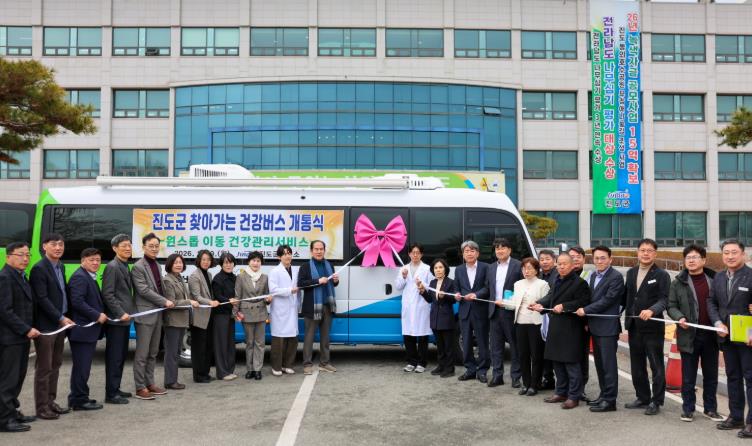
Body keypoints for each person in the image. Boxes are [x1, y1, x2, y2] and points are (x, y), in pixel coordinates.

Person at [667, 244, 722, 423]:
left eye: (695, 257)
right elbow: (671, 306)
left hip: (711, 336)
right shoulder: (677, 282)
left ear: (704, 260)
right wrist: (680, 317)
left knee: (711, 375)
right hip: (688, 335)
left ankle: (710, 409)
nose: (691, 260)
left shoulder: (715, 280)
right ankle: (688, 409)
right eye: (688, 257)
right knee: (688, 376)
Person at [531, 252, 591, 409]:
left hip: (572, 327)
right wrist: (539, 304)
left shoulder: (580, 283)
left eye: (565, 264)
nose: (561, 267)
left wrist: (565, 306)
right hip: (556, 326)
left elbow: (584, 301)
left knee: (571, 363)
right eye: (559, 264)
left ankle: (574, 396)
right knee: (557, 362)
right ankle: (561, 392)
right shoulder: (556, 280)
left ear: (572, 265)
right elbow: (550, 298)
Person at [708, 239, 752, 437]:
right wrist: (717, 322)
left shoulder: (750, 276)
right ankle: (736, 417)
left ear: (743, 254)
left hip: (747, 338)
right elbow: (711, 301)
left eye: (734, 252)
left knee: (750, 379)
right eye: (726, 253)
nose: (730, 256)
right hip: (726, 336)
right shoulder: (718, 277)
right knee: (733, 376)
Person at [622, 238, 670, 415]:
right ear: (638, 252)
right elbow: (627, 298)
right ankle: (642, 397)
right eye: (642, 250)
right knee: (637, 365)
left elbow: (665, 299)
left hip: (653, 327)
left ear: (655, 254)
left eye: (650, 250)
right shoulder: (631, 272)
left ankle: (656, 401)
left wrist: (652, 310)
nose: (646, 253)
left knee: (656, 365)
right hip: (634, 325)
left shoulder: (662, 275)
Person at [29, 233, 74, 419]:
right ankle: (41, 408)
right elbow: (42, 298)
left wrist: (66, 317)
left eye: (61, 244)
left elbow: (62, 293)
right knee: (44, 367)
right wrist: (60, 317)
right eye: (54, 244)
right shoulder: (39, 269)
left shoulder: (60, 266)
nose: (58, 248)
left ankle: (50, 401)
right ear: (44, 246)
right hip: (46, 325)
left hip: (60, 324)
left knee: (55, 364)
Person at [575, 245, 625, 413]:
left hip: (608, 328)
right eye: (596, 258)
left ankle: (610, 401)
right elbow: (590, 298)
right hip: (594, 326)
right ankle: (603, 395)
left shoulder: (616, 277)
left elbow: (608, 300)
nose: (599, 261)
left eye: (603, 258)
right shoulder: (592, 275)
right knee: (600, 364)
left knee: (608, 366)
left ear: (610, 259)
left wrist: (586, 310)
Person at [0, 242, 40, 433]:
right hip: (9, 338)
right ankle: (4, 420)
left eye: (28, 255)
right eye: (21, 255)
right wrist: (25, 329)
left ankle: (12, 412)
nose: (25, 259)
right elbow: (4, 311)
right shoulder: (5, 278)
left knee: (18, 377)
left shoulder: (21, 276)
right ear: (8, 257)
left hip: (21, 338)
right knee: (8, 379)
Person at [131, 233, 173, 400]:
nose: (154, 249)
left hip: (157, 315)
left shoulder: (157, 264)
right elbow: (143, 290)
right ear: (143, 247)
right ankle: (140, 387)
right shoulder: (138, 266)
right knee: (142, 354)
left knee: (153, 352)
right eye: (151, 246)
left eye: (156, 246)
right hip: (145, 315)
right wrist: (164, 301)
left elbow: (159, 287)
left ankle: (150, 383)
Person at [67, 248, 107, 411]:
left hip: (88, 331)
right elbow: (77, 302)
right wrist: (96, 315)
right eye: (92, 260)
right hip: (82, 330)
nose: (96, 263)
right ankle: (78, 400)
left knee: (83, 367)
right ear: (82, 261)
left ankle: (80, 397)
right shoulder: (80, 277)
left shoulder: (89, 276)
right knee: (81, 367)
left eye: (98, 260)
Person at [101, 234, 135, 405]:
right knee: (114, 357)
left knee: (121, 356)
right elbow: (108, 294)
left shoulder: (124, 265)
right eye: (124, 246)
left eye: (129, 245)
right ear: (115, 248)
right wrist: (120, 313)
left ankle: (116, 388)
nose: (128, 248)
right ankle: (111, 393)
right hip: (116, 320)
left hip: (125, 320)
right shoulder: (112, 267)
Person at [507, 257, 549, 396]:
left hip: (536, 324)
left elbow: (546, 304)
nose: (526, 271)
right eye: (524, 268)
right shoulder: (518, 284)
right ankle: (526, 384)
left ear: (536, 270)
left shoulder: (543, 284)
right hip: (520, 323)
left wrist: (539, 306)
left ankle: (534, 385)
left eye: (530, 268)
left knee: (536, 355)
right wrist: (502, 302)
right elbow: (513, 303)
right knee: (523, 355)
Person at [298, 240, 340, 375]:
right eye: (316, 249)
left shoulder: (329, 265)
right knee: (309, 337)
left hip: (327, 306)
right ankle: (307, 364)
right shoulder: (305, 266)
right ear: (311, 251)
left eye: (321, 249)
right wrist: (318, 281)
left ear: (324, 250)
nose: (319, 251)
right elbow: (301, 284)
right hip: (312, 307)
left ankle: (324, 363)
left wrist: (336, 281)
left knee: (325, 337)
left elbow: (333, 285)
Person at [487, 238, 523, 388]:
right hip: (494, 312)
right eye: (497, 248)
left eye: (503, 248)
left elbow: (522, 288)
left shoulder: (518, 265)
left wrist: (509, 301)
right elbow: (487, 288)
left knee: (515, 346)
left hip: (510, 312)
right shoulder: (491, 267)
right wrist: (475, 295)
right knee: (496, 347)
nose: (499, 251)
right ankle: (497, 376)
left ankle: (516, 377)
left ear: (509, 250)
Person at [454, 240, 491, 383]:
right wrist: (457, 295)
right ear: (463, 254)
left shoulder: (485, 267)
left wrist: (476, 294)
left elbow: (488, 287)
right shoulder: (459, 269)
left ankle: (482, 371)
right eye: (466, 251)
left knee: (482, 342)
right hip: (464, 310)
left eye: (472, 251)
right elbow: (456, 287)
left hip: (480, 310)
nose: (469, 253)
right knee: (466, 342)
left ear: (477, 253)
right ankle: (470, 369)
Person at [395, 243, 433, 373]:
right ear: (409, 254)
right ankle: (411, 361)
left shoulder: (427, 269)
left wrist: (422, 284)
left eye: (418, 252)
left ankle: (422, 363)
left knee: (422, 335)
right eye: (413, 252)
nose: (415, 255)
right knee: (408, 334)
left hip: (421, 305)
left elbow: (432, 286)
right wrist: (404, 277)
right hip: (408, 306)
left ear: (421, 254)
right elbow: (398, 286)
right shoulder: (404, 268)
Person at [418, 258, 458, 378]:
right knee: (440, 346)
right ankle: (441, 366)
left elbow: (454, 300)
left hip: (446, 319)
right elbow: (430, 300)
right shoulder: (432, 283)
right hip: (435, 318)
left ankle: (450, 369)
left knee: (448, 346)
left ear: (445, 269)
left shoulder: (451, 282)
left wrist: (444, 296)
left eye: (440, 267)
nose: (438, 270)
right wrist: (422, 291)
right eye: (436, 268)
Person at [162, 253, 196, 390]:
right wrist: (189, 302)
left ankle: (172, 379)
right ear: (170, 264)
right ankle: (170, 381)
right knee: (171, 353)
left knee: (176, 351)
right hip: (173, 321)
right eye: (175, 262)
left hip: (181, 321)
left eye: (180, 262)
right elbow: (171, 302)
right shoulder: (168, 280)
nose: (178, 265)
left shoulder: (179, 278)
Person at [236, 251, 270, 380]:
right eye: (253, 260)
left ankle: (257, 369)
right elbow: (237, 296)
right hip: (246, 313)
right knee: (249, 343)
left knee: (260, 343)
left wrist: (268, 299)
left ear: (261, 263)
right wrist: (236, 312)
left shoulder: (265, 277)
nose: (256, 263)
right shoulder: (241, 277)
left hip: (261, 313)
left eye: (258, 261)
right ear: (249, 262)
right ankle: (249, 369)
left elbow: (266, 295)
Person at [187, 250, 219, 383]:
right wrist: (210, 302)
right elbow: (197, 296)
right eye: (204, 259)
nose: (206, 262)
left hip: (209, 315)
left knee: (207, 345)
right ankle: (199, 375)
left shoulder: (209, 274)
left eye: (208, 259)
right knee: (199, 347)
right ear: (199, 260)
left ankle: (205, 372)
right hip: (199, 316)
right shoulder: (194, 276)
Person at [268, 245, 300, 376]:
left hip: (292, 308)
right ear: (279, 257)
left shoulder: (295, 270)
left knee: (292, 339)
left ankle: (288, 365)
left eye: (289, 253)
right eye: (285, 254)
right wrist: (289, 290)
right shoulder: (275, 271)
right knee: (279, 340)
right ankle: (276, 367)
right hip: (280, 309)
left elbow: (299, 290)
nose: (288, 256)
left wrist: (298, 304)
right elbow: (273, 290)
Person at [569, 245, 592, 401]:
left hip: (582, 323)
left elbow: (591, 300)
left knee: (582, 356)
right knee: (567, 355)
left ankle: (581, 388)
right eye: (572, 257)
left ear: (584, 259)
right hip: (566, 322)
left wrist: (587, 321)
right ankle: (569, 387)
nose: (575, 259)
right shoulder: (563, 275)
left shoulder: (589, 276)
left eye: (578, 256)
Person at [212, 252, 239, 381]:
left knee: (230, 343)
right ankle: (222, 373)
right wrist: (229, 301)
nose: (228, 265)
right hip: (220, 315)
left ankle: (229, 370)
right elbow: (217, 296)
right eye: (226, 263)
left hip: (230, 315)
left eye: (231, 262)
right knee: (221, 344)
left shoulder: (235, 278)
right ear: (221, 264)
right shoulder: (217, 279)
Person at [538, 249, 558, 390]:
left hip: (553, 317)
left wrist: (538, 303)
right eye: (542, 259)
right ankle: (548, 378)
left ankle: (561, 382)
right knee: (542, 350)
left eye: (547, 259)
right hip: (539, 317)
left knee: (555, 350)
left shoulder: (558, 275)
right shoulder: (538, 275)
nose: (544, 262)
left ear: (554, 260)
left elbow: (552, 295)